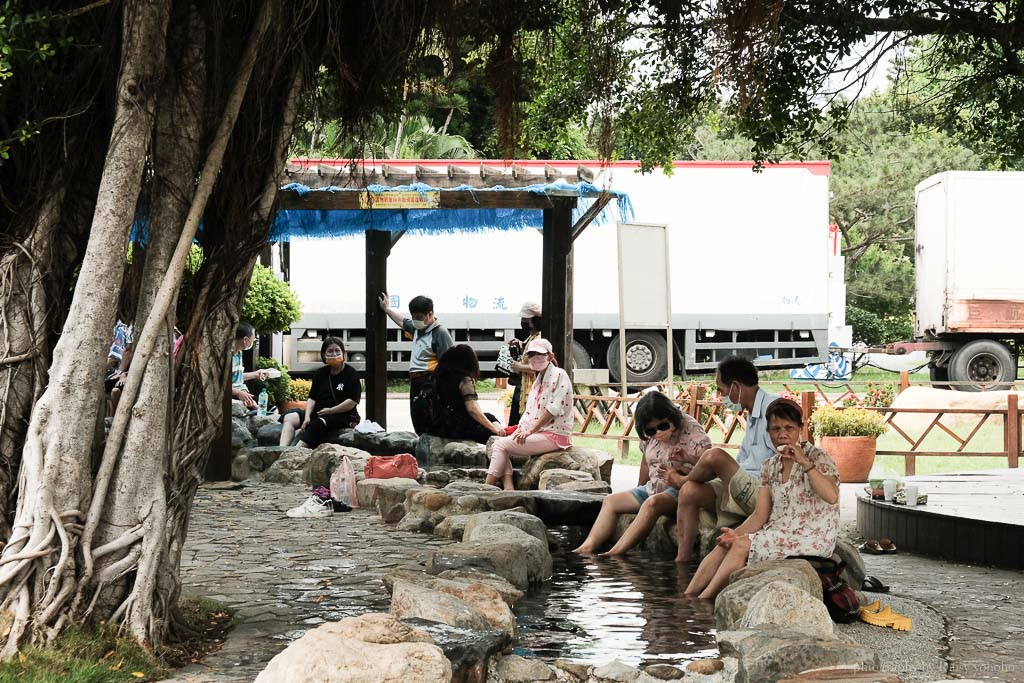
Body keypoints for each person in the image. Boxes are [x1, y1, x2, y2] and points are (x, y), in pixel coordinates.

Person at [685, 399, 840, 599]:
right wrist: (734, 533)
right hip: (778, 532)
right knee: (725, 543)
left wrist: (804, 462)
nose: (782, 434)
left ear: (800, 429)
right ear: (768, 432)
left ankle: (703, 600)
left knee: (741, 545)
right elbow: (760, 515)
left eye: (789, 428)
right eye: (775, 429)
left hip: (811, 537)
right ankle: (688, 596)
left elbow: (831, 496)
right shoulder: (770, 465)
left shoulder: (818, 458)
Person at [574, 391, 711, 555]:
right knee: (611, 501)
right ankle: (586, 548)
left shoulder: (690, 428)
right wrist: (639, 488)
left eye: (663, 426)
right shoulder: (648, 434)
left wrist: (684, 466)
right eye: (652, 430)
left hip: (680, 490)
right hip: (652, 487)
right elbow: (646, 462)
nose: (658, 433)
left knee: (651, 504)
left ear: (671, 417)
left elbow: (708, 462)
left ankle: (613, 554)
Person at [673, 355, 779, 563]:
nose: (720, 396)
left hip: (765, 494)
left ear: (736, 387)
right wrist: (694, 461)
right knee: (690, 491)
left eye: (721, 390)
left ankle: (681, 480)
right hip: (746, 486)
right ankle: (682, 561)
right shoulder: (751, 413)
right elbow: (741, 466)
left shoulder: (774, 410)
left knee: (714, 455)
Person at [486, 338, 572, 490]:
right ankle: (508, 486)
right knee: (500, 441)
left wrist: (530, 431)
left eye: (540, 354)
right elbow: (530, 412)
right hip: (541, 433)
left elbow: (552, 410)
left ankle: (487, 486)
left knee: (500, 445)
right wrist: (520, 429)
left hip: (554, 435)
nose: (535, 358)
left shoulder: (559, 375)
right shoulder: (538, 379)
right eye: (532, 354)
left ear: (550, 356)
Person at [378, 292, 454, 432]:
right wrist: (387, 309)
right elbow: (401, 321)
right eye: (413, 317)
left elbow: (448, 365)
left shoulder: (440, 333)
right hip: (416, 382)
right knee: (417, 418)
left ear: (430, 314)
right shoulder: (417, 328)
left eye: (419, 317)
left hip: (430, 382)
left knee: (428, 420)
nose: (415, 320)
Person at [280, 337, 361, 448]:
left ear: (343, 353)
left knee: (317, 424)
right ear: (324, 355)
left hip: (342, 415)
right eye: (330, 351)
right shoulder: (320, 373)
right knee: (290, 417)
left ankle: (294, 452)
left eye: (337, 351)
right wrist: (307, 416)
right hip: (320, 411)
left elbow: (352, 401)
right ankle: (281, 449)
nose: (334, 354)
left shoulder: (351, 374)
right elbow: (312, 398)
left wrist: (331, 411)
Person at [428, 344, 505, 443]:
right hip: (457, 427)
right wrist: (494, 429)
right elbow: (472, 409)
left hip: (439, 425)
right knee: (492, 426)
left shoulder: (439, 376)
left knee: (489, 416)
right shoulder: (464, 379)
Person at [507, 301, 542, 426]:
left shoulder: (538, 339)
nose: (523, 322)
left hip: (530, 388)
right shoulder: (532, 336)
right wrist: (520, 344)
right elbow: (529, 351)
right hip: (523, 386)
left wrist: (520, 367)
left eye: (525, 319)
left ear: (534, 320)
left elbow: (538, 366)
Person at [231, 322, 269, 413]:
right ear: (245, 340)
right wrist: (238, 393)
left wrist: (256, 374)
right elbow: (221, 384)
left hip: (241, 392)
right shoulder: (228, 356)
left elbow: (236, 377)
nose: (255, 339)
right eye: (253, 337)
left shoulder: (239, 353)